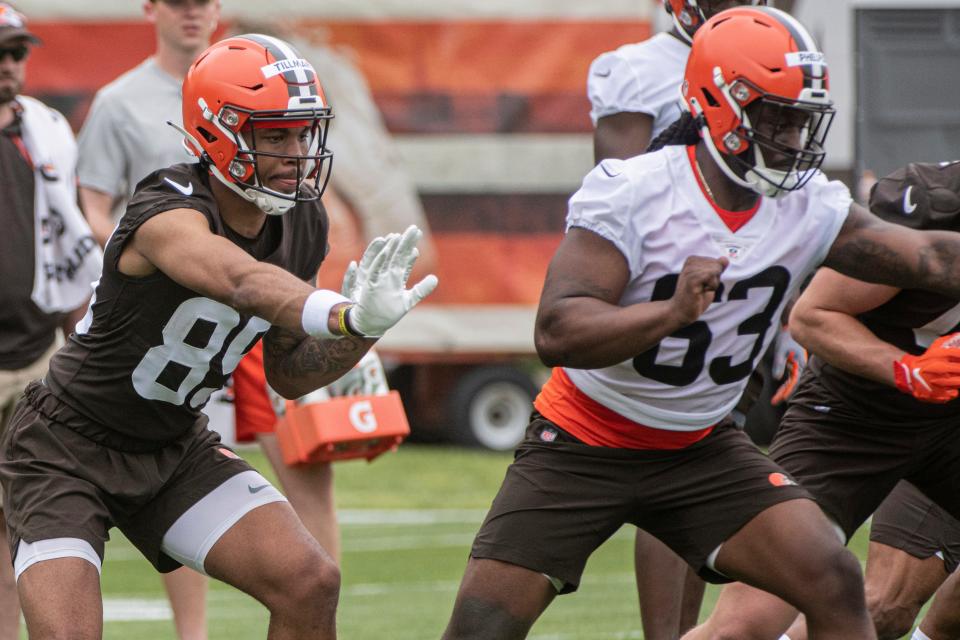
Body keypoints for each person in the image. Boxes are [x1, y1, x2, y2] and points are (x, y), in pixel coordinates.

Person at [441, 7, 960, 639]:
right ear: (716, 104)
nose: (793, 139)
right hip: (585, 441)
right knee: (481, 627)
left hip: (700, 448)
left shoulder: (808, 206)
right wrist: (669, 313)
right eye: (776, 117)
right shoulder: (633, 191)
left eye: (801, 121)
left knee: (832, 576)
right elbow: (557, 331)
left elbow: (930, 256)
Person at [0, 33, 436, 640]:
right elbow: (239, 280)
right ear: (218, 131)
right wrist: (337, 311)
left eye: (302, 133)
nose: (296, 152)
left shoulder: (300, 218)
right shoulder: (167, 206)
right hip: (65, 449)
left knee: (310, 581)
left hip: (176, 447)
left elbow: (288, 369)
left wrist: (362, 330)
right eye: (274, 134)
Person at [687, 161, 960, 640]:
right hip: (856, 412)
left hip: (951, 419)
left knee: (888, 610)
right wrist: (905, 368)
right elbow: (814, 316)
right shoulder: (937, 206)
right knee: (747, 627)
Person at [587, 2, 772, 635]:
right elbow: (617, 186)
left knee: (720, 469)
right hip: (671, 295)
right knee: (671, 465)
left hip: (751, 293)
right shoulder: (638, 70)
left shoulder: (774, 51)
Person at [75, 2, 221, 636]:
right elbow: (93, 204)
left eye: (202, 1)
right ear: (151, 9)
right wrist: (143, 262)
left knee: (282, 465)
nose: (192, 14)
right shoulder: (120, 100)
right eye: (178, 1)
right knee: (162, 453)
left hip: (234, 314)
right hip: (150, 322)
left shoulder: (244, 90)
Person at [0, 4, 102, 639]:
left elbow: (70, 234)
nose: (10, 66)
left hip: (35, 348)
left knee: (25, 511)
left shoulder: (43, 128)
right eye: (0, 55)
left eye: (17, 53)